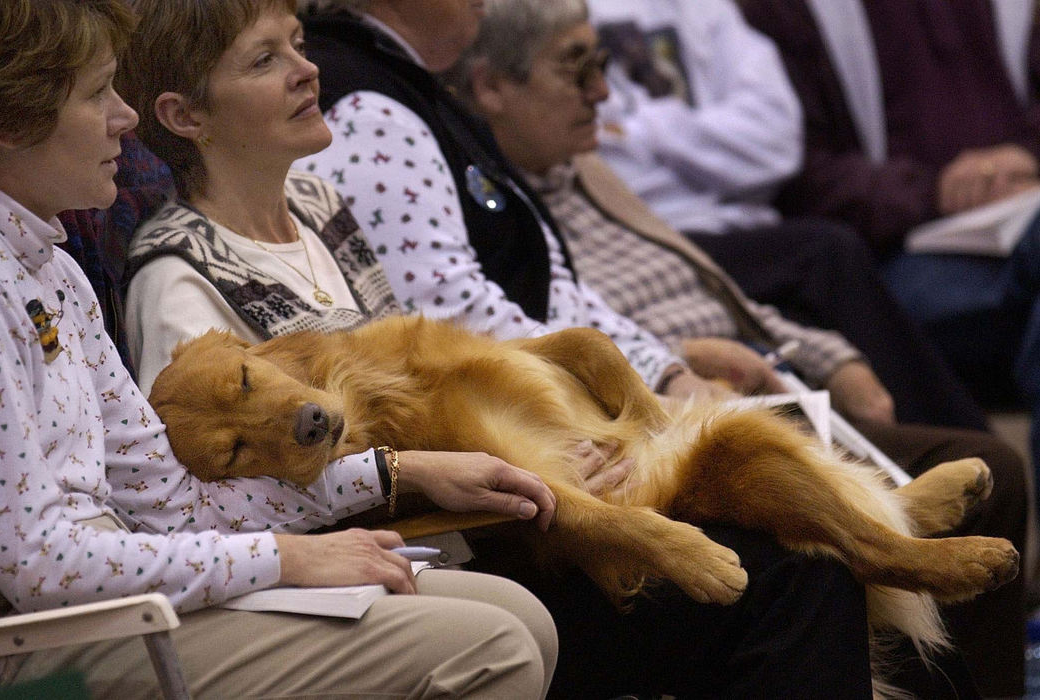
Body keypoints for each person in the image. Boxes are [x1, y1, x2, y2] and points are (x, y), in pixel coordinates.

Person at [287, 2, 986, 698]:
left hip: (560, 432)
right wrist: (589, 437)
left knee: (874, 506)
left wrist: (662, 375)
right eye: (269, 56)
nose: (302, 69)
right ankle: (884, 535)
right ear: (184, 115)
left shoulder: (353, 151)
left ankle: (887, 533)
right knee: (803, 568)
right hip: (503, 510)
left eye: (295, 43)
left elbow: (511, 318)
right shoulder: (364, 109)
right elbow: (442, 329)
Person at [0, 1, 565, 697]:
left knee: (520, 617)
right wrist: (284, 559)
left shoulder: (53, 268)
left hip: (108, 599)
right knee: (490, 648)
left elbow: (168, 502)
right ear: (11, 122)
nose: (124, 118)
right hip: (36, 643)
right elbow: (42, 567)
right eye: (96, 93)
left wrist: (394, 472)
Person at [580, 0, 993, 433]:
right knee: (828, 252)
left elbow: (776, 144)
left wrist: (644, 129)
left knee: (821, 282)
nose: (600, 94)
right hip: (645, 230)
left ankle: (940, 449)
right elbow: (599, 162)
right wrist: (714, 142)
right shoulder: (569, 17)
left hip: (751, 225)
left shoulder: (704, 8)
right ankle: (959, 444)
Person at [736, 0, 1040, 510]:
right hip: (901, 253)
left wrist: (1027, 154)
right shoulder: (783, 10)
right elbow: (794, 173)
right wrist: (933, 190)